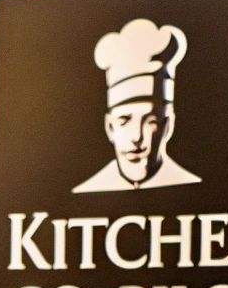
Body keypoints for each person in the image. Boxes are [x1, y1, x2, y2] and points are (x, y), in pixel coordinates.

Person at [73, 17, 202, 192]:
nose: (136, 137)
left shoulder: (191, 185)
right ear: (110, 128)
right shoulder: (89, 189)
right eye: (124, 120)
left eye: (151, 121)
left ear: (168, 126)